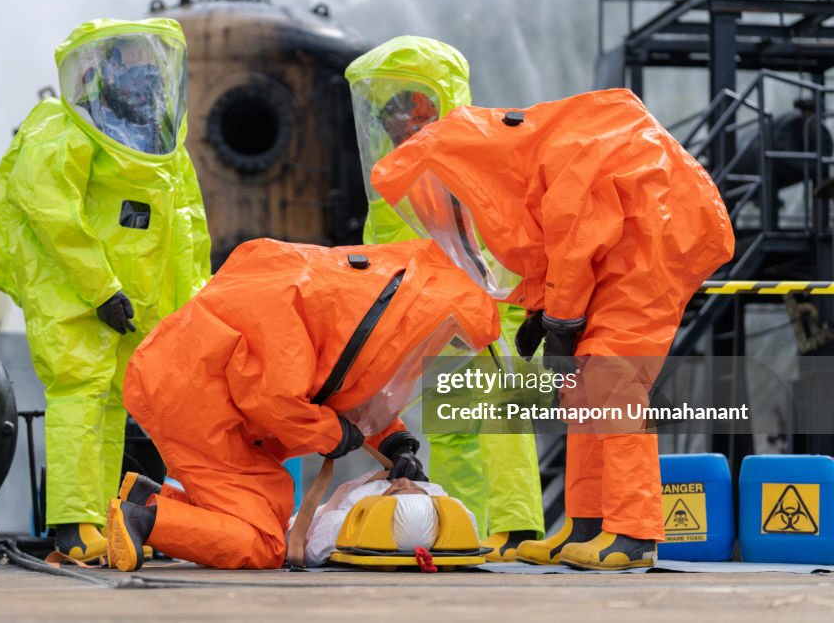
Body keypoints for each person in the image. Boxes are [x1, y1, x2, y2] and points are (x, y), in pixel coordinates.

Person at [370, 89, 734, 570]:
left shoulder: (561, 153)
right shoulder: (535, 158)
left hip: (653, 245)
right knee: (580, 389)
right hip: (626, 246)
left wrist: (559, 320)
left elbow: (576, 239)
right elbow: (551, 244)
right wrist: (544, 310)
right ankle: (585, 525)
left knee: (612, 379)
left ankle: (633, 533)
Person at [107, 237, 501, 571]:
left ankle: (146, 499)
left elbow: (341, 383)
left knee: (267, 509)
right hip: (190, 401)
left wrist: (394, 442)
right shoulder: (303, 305)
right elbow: (276, 397)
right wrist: (333, 436)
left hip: (198, 394)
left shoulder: (347, 302)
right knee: (264, 544)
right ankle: (146, 518)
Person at [0, 18, 211, 561]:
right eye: (132, 61)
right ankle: (74, 525)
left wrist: (189, 306)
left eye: (153, 61)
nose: (146, 73)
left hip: (133, 303)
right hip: (77, 294)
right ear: (102, 69)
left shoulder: (163, 143)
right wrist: (100, 288)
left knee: (111, 406)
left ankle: (105, 524)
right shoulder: (61, 127)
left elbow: (187, 228)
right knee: (78, 399)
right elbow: (49, 212)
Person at [345, 36, 545, 561]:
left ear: (441, 101)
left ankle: (517, 529)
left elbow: (503, 245)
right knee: (453, 430)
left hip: (497, 317)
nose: (398, 122)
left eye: (412, 107)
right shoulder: (393, 180)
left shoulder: (483, 159)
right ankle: (472, 528)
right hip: (438, 323)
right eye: (388, 112)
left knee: (503, 422)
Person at [301, 474, 475, 568]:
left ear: (383, 499)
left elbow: (311, 554)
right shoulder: (457, 516)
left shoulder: (340, 523)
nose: (406, 480)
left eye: (398, 488)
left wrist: (375, 477)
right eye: (416, 486)